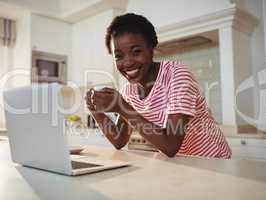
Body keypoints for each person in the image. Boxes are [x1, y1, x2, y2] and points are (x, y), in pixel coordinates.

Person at [85, 13, 231, 158]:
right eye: (119, 56)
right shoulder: (128, 91)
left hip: (214, 160)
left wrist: (122, 107)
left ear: (151, 49)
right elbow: (119, 140)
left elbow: (170, 145)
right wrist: (95, 110)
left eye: (136, 52)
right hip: (181, 165)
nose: (128, 62)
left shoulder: (177, 75)